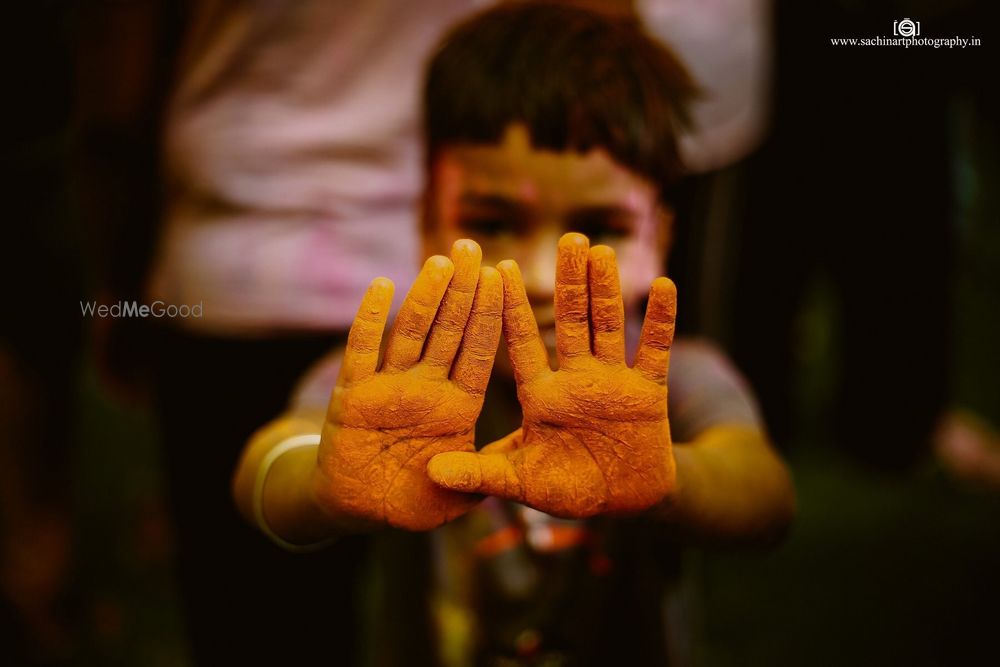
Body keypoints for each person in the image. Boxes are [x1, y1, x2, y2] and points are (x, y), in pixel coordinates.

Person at [232, 4, 794, 665]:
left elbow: (766, 496)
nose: (540, 276)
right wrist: (323, 483)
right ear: (423, 221)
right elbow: (263, 468)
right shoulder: (397, 379)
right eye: (493, 221)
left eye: (600, 226)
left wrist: (670, 478)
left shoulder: (670, 374)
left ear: (661, 235)